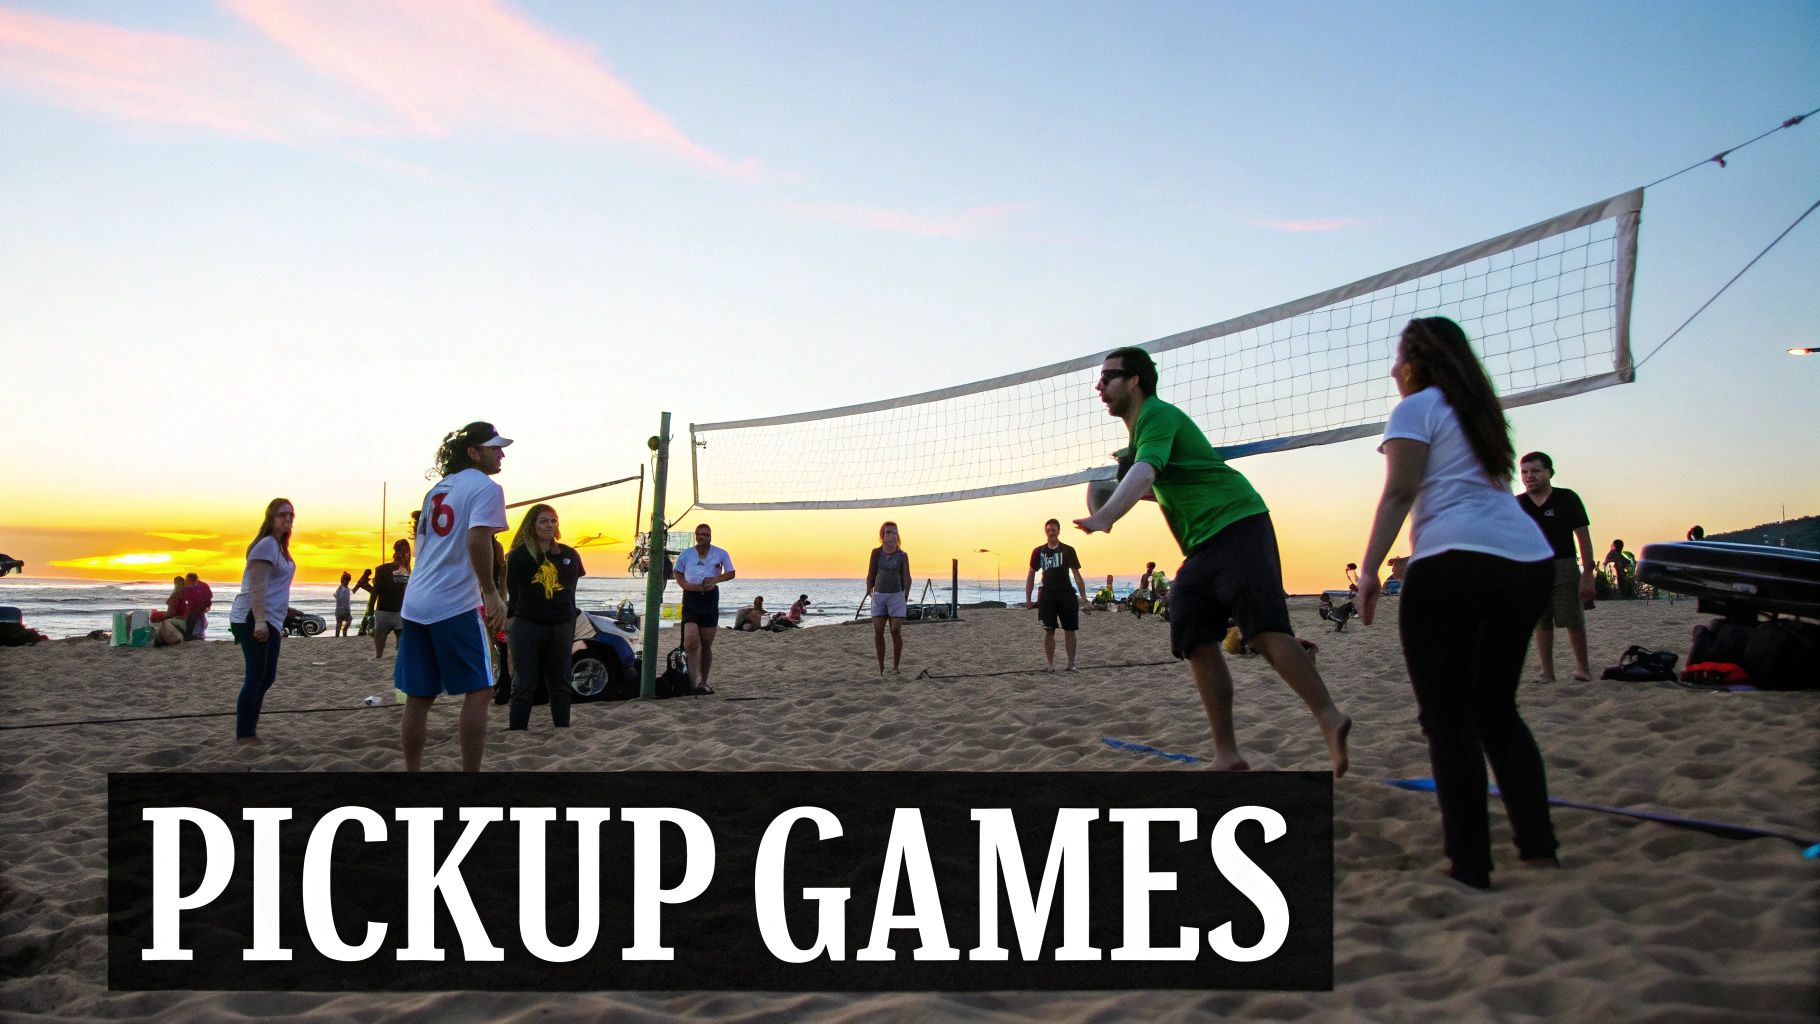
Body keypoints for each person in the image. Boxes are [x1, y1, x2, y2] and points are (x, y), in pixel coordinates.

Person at [1074, 346, 1350, 775]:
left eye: (1108, 377)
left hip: (1238, 522)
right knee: (1191, 630)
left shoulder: (1157, 416)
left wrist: (1104, 516)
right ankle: (1227, 754)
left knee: (1263, 632)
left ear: (1135, 381)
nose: (1099, 385)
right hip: (1202, 546)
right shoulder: (1142, 435)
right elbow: (1153, 484)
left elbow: (1146, 474)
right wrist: (1107, 492)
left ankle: (1329, 717)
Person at [1355, 317, 1558, 891]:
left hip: (1455, 560)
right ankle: (1539, 849)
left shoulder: (1416, 407)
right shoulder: (1481, 415)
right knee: (1496, 711)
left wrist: (1369, 569)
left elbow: (1400, 490)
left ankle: (1470, 865)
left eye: (1397, 359)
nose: (1392, 370)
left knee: (1447, 719)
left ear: (1414, 363)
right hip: (1527, 561)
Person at [396, 422, 510, 772]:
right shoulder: (487, 488)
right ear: (473, 452)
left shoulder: (436, 491)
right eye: (494, 447)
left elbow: (425, 546)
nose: (501, 453)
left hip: (416, 601)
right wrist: (491, 594)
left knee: (419, 696)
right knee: (480, 690)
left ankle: (412, 773)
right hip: (453, 603)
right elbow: (478, 542)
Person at [1516, 451, 1597, 683]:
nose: (1529, 476)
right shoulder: (1517, 504)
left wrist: (1588, 574)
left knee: (1572, 616)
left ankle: (1583, 668)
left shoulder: (1567, 498)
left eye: (1535, 471)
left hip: (1564, 565)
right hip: (1531, 568)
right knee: (1541, 621)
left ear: (1548, 473)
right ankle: (1547, 672)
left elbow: (1583, 537)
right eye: (1524, 472)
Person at [504, 503, 585, 731]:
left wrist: (568, 616)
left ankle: (562, 727)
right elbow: (513, 592)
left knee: (560, 681)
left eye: (553, 520)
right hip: (527, 624)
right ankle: (517, 730)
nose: (549, 525)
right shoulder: (518, 556)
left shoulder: (569, 554)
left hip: (561, 625)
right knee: (524, 681)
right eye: (543, 521)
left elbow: (571, 589)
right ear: (532, 525)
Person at [228, 498, 299, 745]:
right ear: (271, 518)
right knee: (256, 677)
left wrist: (288, 610)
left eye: (291, 515)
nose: (288, 519)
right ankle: (245, 734)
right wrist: (259, 622)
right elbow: (256, 588)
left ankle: (250, 729)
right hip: (253, 617)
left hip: (271, 617)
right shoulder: (266, 545)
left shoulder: (279, 547)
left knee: (266, 677)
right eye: (282, 515)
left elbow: (273, 587)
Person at [673, 522, 734, 694]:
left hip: (710, 598)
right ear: (695, 536)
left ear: (710, 536)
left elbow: (731, 573)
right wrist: (685, 585)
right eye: (699, 534)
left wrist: (714, 580)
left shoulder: (720, 553)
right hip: (691, 598)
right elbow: (677, 572)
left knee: (706, 644)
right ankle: (692, 683)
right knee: (691, 643)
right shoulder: (686, 554)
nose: (702, 537)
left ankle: (703, 681)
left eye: (705, 534)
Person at [1025, 518, 1088, 671]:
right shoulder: (1038, 551)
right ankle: (1050, 665)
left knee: (1070, 630)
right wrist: (1028, 598)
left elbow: (1077, 575)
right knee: (1049, 630)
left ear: (1058, 531)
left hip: (1066, 594)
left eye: (1053, 529)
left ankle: (1071, 664)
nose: (1051, 532)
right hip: (1047, 595)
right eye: (1048, 530)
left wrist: (1084, 597)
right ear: (1045, 531)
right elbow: (1031, 574)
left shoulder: (1068, 550)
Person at [864, 521, 911, 675]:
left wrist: (905, 596)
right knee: (878, 631)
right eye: (888, 532)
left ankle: (895, 666)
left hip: (896, 595)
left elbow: (907, 577)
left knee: (895, 631)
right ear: (882, 535)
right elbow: (871, 573)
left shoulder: (902, 555)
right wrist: (869, 589)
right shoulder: (876, 553)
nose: (891, 535)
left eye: (894, 532)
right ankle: (881, 668)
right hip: (879, 595)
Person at [371, 538, 412, 658]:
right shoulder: (407, 572)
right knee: (389, 650)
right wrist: (369, 613)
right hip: (391, 612)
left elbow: (375, 592)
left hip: (393, 612)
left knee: (382, 652)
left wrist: (369, 613)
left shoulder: (407, 572)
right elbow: (375, 591)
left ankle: (381, 657)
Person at [183, 572, 213, 639]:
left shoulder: (203, 585)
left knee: (194, 618)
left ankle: (191, 635)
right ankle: (191, 634)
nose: (187, 581)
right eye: (187, 580)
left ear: (195, 580)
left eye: (188, 580)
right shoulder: (186, 586)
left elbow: (209, 595)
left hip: (201, 604)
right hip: (192, 605)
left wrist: (208, 606)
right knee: (191, 618)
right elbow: (184, 597)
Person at [333, 571, 353, 637]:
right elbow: (340, 599)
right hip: (342, 609)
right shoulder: (342, 589)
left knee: (345, 621)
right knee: (340, 622)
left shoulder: (344, 588)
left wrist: (336, 595)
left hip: (344, 608)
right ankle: (339, 634)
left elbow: (343, 598)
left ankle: (342, 632)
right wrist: (336, 596)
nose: (347, 582)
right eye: (346, 580)